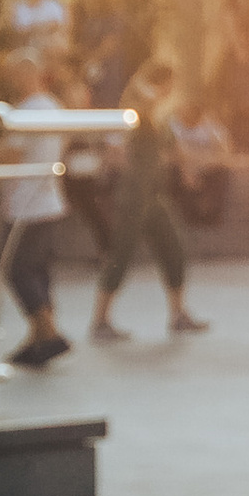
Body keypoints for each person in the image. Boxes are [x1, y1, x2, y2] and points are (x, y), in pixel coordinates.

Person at [89, 59, 210, 345]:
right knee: (120, 256)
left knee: (174, 251)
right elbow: (139, 98)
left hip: (154, 197)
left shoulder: (159, 120)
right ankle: (100, 319)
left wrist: (189, 170)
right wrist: (147, 83)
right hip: (132, 197)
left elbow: (174, 149)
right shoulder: (137, 108)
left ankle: (178, 314)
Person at [0, 55, 71, 369]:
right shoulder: (54, 107)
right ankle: (38, 336)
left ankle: (49, 332)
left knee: (17, 269)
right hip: (49, 198)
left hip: (26, 202)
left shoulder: (26, 112)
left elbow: (11, 153)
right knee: (38, 271)